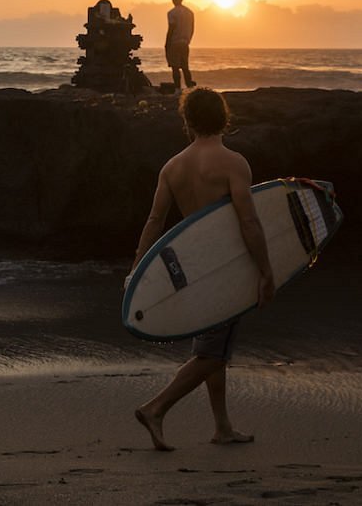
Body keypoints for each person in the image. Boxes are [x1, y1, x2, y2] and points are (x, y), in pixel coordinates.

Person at [128, 88, 274, 451]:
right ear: (224, 117)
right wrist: (266, 270)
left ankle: (222, 427)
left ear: (188, 120)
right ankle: (156, 408)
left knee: (213, 345)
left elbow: (154, 222)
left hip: (190, 267)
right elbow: (249, 221)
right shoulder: (233, 163)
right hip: (224, 266)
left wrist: (137, 271)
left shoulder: (172, 166)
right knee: (212, 353)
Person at [165, 0, 196, 91]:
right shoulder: (190, 13)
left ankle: (178, 88)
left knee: (175, 67)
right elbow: (192, 29)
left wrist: (167, 43)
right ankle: (189, 87)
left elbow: (171, 28)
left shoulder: (171, 13)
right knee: (185, 67)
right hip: (185, 42)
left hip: (175, 42)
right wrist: (188, 40)